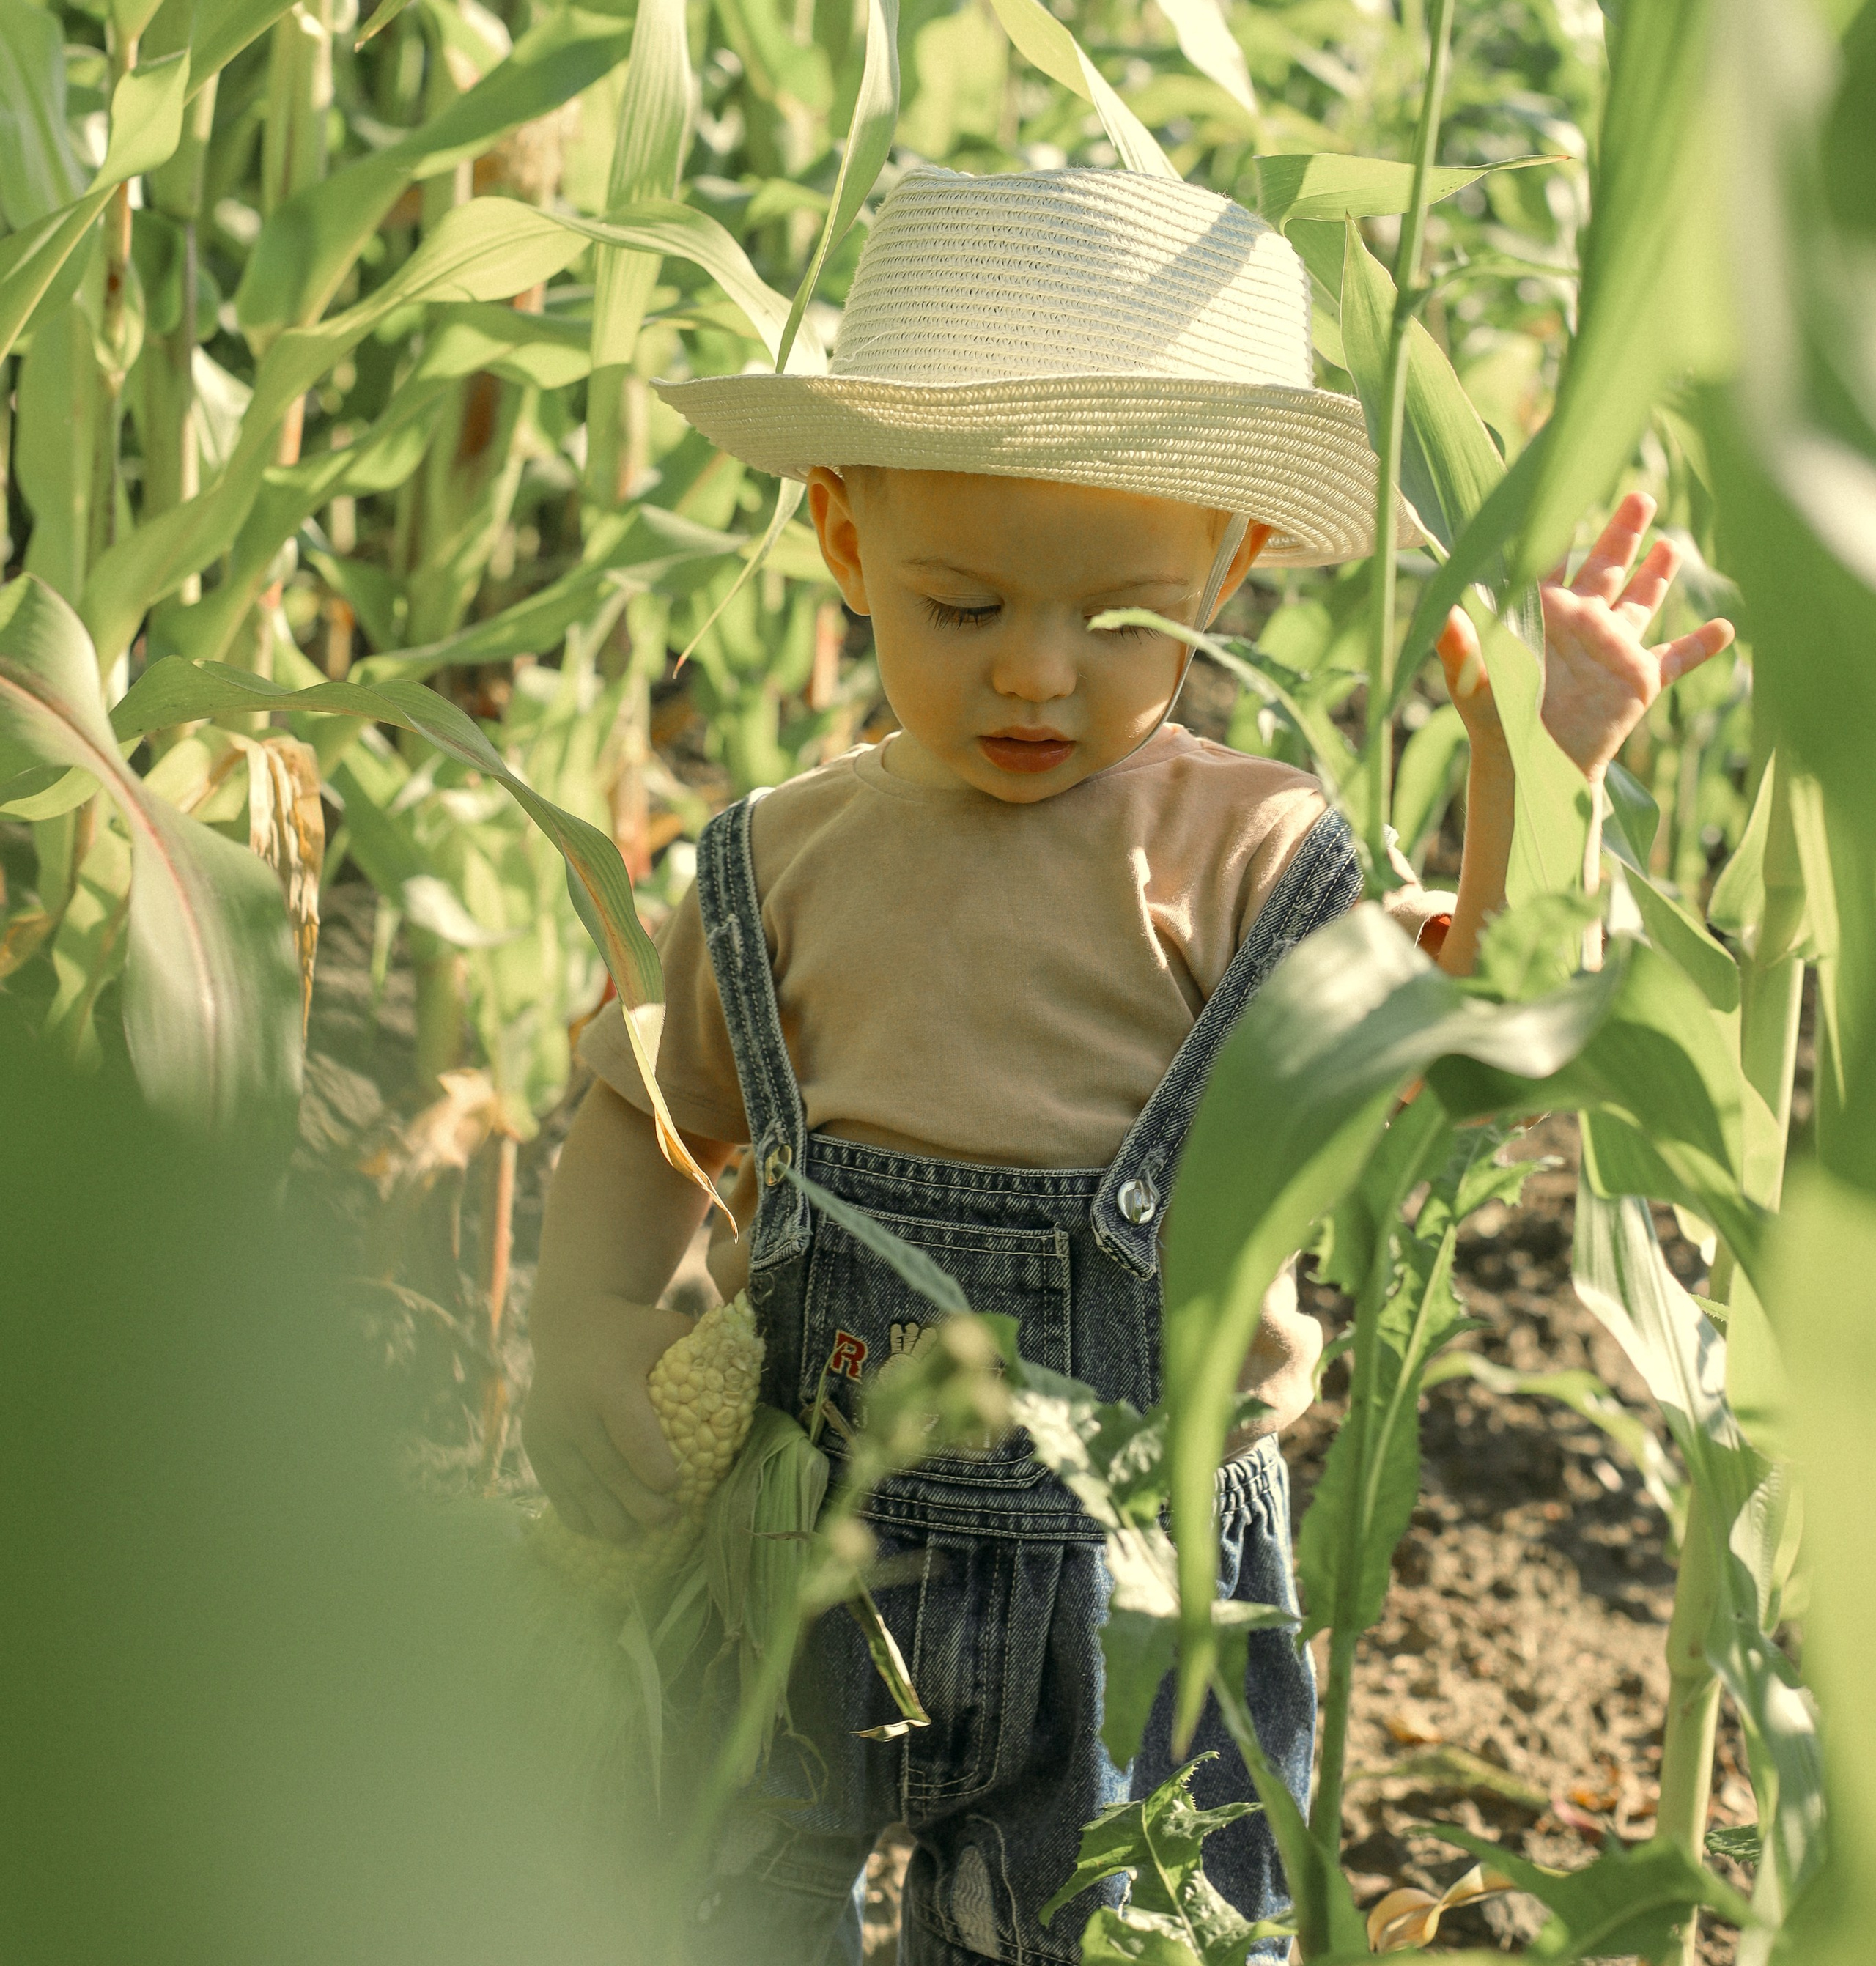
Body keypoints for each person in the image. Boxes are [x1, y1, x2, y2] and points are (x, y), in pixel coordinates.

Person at [523, 164, 1731, 1965]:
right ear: (845, 543)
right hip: (807, 1534)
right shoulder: (781, 859)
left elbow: (1453, 1043)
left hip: (1137, 1583)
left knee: (1121, 1926)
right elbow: (647, 1109)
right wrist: (584, 1328)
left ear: (1230, 572)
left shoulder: (1251, 854)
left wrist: (1530, 778)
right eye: (959, 606)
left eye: (1123, 621)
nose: (1037, 673)